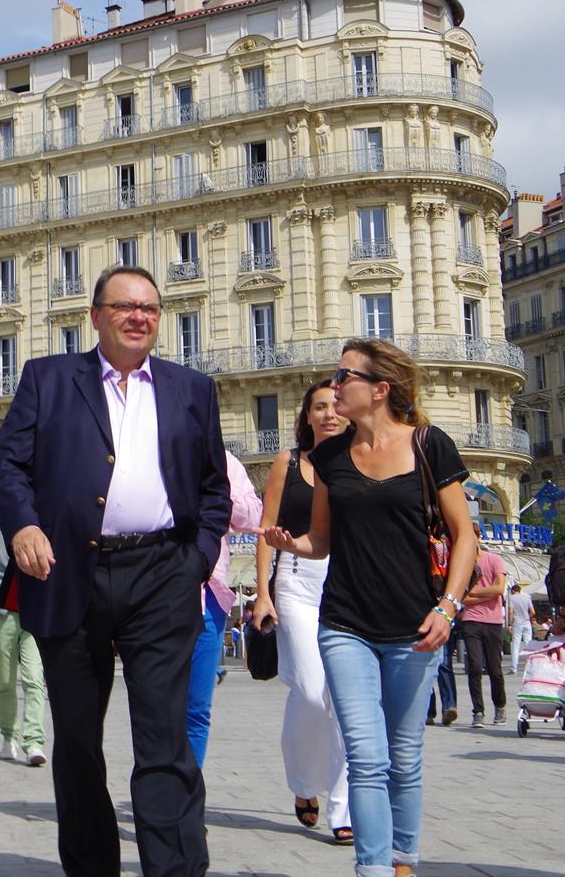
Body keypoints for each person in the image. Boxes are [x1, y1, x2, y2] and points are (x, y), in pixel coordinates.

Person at [0, 265, 231, 877]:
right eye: (125, 306)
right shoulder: (47, 379)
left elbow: (212, 488)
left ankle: (175, 868)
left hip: (161, 574)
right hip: (68, 573)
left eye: (150, 308)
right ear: (95, 316)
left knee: (163, 738)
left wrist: (197, 557)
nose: (139, 317)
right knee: (75, 740)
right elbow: (9, 464)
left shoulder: (192, 389)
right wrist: (22, 525)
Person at [264, 339, 479, 877]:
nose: (334, 386)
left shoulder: (430, 445)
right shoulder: (331, 456)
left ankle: (404, 859)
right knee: (366, 756)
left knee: (404, 756)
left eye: (344, 377)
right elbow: (322, 540)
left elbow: (464, 536)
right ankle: (374, 869)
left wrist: (448, 608)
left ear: (380, 389)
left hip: (416, 625)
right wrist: (288, 546)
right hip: (344, 623)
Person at [250, 379, 352, 845]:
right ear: (307, 416)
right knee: (312, 692)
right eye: (319, 407)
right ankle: (305, 784)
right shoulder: (288, 463)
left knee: (346, 701)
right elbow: (265, 528)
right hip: (295, 578)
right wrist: (263, 593)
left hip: (348, 579)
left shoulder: (361, 460)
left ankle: (342, 808)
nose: (329, 414)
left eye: (336, 406)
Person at [187, 451, 261, 769]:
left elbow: (253, 518)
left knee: (196, 708)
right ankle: (161, 798)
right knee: (157, 707)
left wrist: (220, 482)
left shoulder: (224, 461)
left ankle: (185, 802)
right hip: (155, 594)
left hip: (209, 594)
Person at [0, 516, 46, 764]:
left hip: (32, 613)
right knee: (5, 681)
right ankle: (8, 737)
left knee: (34, 679)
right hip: (2, 615)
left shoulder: (38, 531)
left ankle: (34, 742)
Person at [459, 527, 507, 728]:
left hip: (493, 621)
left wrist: (475, 592)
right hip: (470, 620)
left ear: (478, 537)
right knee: (475, 667)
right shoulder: (462, 564)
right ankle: (478, 711)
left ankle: (500, 706)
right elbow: (462, 596)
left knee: (495, 669)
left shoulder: (494, 559)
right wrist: (485, 595)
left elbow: (499, 588)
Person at [507, 584, 534, 674]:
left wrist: (510, 624)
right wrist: (527, 617)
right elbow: (533, 612)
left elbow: (511, 612)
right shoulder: (527, 598)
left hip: (517, 622)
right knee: (528, 644)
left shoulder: (512, 598)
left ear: (513, 591)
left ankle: (514, 668)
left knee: (515, 645)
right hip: (527, 622)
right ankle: (531, 666)